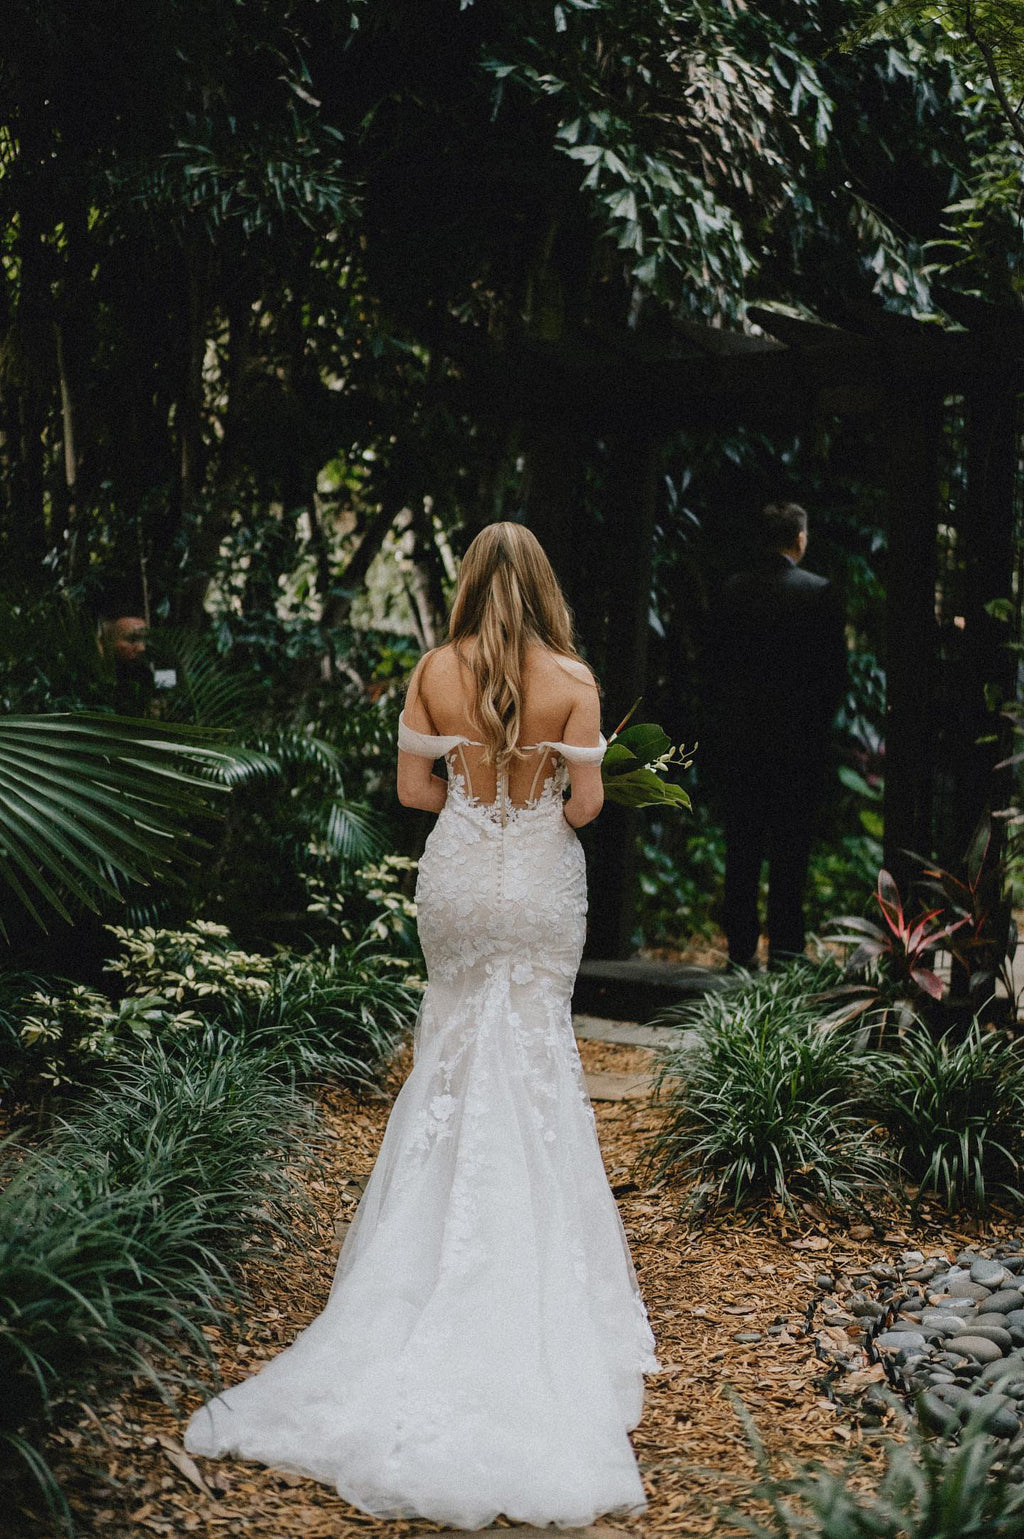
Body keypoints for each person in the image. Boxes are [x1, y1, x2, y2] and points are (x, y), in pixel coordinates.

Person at [183, 522, 658, 1527]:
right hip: (538, 885)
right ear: (543, 585)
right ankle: (528, 1283)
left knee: (450, 1054)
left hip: (457, 880)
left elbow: (412, 791)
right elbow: (583, 810)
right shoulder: (573, 678)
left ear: (469, 582)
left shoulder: (433, 670)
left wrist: (473, 795)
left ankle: (422, 1255)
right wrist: (543, 785)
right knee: (533, 1055)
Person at [707, 502, 847, 967]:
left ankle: (740, 949)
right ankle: (785, 951)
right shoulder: (818, 592)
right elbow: (834, 678)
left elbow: (715, 669)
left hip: (742, 744)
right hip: (797, 749)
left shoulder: (733, 590)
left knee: (742, 848)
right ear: (800, 539)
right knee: (791, 850)